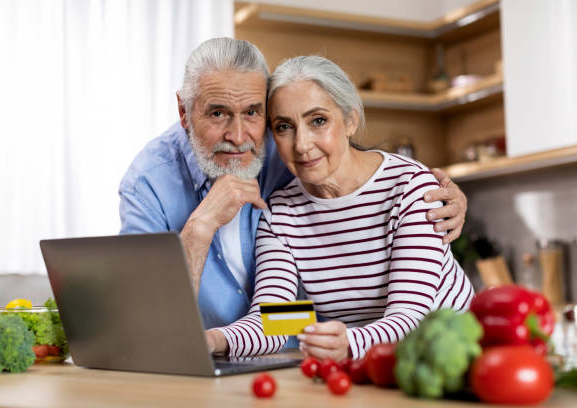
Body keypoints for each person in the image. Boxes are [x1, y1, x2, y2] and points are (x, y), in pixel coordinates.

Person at [119, 38, 468, 333]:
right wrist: (198, 228)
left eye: (253, 112)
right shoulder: (149, 183)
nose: (238, 136)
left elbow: (353, 169)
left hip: (328, 343)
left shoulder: (292, 156)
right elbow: (143, 327)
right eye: (217, 113)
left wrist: (436, 194)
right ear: (183, 111)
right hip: (272, 348)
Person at [205, 55, 473, 361]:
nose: (302, 144)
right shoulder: (280, 213)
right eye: (284, 127)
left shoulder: (410, 188)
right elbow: (274, 322)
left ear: (350, 120)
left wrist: (347, 343)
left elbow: (410, 318)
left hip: (451, 351)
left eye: (318, 121)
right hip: (373, 364)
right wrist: (211, 339)